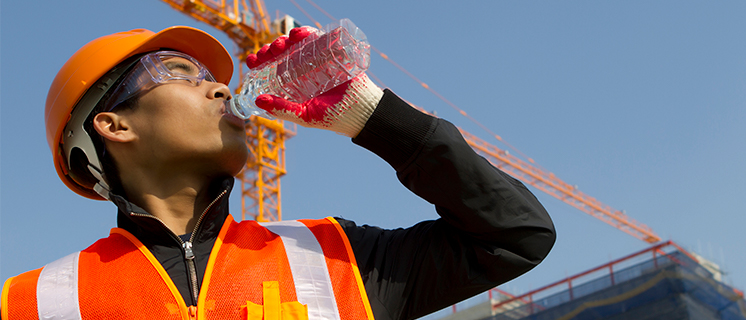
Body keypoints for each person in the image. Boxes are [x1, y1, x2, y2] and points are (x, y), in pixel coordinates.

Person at [1, 25, 555, 320]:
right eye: (179, 73)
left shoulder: (337, 259)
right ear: (114, 126)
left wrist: (376, 119)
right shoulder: (33, 304)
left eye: (212, 77)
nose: (220, 86)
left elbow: (514, 236)